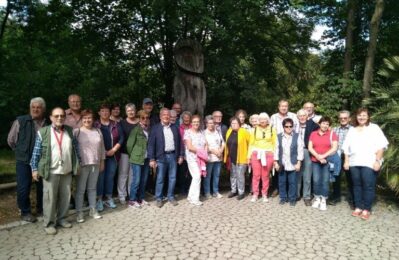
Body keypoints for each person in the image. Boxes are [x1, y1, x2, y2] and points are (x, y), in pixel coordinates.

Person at [30, 107, 79, 235]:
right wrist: (34, 169)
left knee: (65, 198)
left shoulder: (70, 131)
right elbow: (36, 153)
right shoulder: (43, 132)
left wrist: (77, 165)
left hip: (67, 170)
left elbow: (76, 150)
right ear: (51, 117)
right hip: (50, 171)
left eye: (62, 116)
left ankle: (62, 219)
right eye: (56, 116)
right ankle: (49, 223)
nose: (59, 118)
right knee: (49, 199)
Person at [342, 108, 388, 220]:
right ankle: (358, 207)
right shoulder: (352, 129)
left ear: (368, 117)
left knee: (368, 186)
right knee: (356, 185)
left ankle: (366, 209)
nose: (361, 117)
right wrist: (346, 161)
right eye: (359, 115)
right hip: (354, 162)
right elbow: (346, 147)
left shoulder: (374, 128)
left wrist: (377, 161)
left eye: (364, 115)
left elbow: (382, 146)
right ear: (356, 117)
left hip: (369, 162)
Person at [7, 97, 47, 222]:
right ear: (30, 108)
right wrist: (21, 151)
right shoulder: (21, 121)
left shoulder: (47, 123)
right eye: (33, 107)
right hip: (24, 160)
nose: (35, 109)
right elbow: (11, 140)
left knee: (42, 187)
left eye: (38, 107)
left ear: (43, 109)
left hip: (41, 160)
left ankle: (42, 209)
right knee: (24, 187)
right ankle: (25, 212)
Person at [148, 108, 184, 208]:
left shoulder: (175, 128)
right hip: (161, 157)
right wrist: (152, 158)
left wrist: (181, 155)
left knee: (172, 178)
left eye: (168, 115)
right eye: (164, 115)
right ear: (160, 116)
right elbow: (151, 145)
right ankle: (159, 198)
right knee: (160, 178)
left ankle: (171, 196)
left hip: (173, 156)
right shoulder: (155, 128)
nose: (166, 116)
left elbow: (180, 143)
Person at [73, 109, 104, 222]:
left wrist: (102, 162)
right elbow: (73, 150)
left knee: (92, 188)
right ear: (81, 119)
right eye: (85, 118)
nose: (87, 120)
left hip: (95, 163)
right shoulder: (77, 132)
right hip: (82, 165)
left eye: (89, 117)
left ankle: (93, 209)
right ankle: (79, 212)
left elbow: (102, 148)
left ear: (93, 119)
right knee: (80, 190)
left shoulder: (98, 131)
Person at [94, 104, 124, 211]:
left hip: (113, 155)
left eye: (107, 111)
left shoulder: (115, 124)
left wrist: (114, 150)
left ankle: (109, 198)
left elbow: (121, 138)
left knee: (110, 177)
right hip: (100, 156)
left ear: (110, 112)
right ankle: (99, 200)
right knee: (100, 178)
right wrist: (102, 152)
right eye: (102, 111)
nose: (105, 113)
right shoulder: (95, 125)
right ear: (99, 113)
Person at [270, 99, 299, 197]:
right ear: (279, 107)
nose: (284, 108)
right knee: (278, 168)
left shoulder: (293, 116)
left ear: (288, 107)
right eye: (282, 106)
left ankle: (290, 193)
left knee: (290, 169)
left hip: (290, 143)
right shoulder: (273, 117)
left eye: (285, 106)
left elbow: (297, 129)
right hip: (277, 143)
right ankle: (276, 189)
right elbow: (270, 130)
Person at [308, 117, 338, 211]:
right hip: (315, 161)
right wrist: (318, 156)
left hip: (327, 161)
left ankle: (323, 199)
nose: (325, 125)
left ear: (329, 125)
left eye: (327, 124)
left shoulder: (332, 134)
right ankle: (317, 198)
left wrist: (323, 156)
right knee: (316, 180)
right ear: (319, 124)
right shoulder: (313, 134)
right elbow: (310, 147)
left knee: (325, 181)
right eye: (323, 123)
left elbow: (334, 148)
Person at [274, 118, 304, 206]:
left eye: (290, 126)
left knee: (292, 182)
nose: (289, 128)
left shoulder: (297, 136)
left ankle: (292, 198)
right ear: (283, 127)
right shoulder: (279, 136)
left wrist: (299, 162)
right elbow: (276, 149)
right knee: (282, 182)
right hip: (282, 163)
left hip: (293, 163)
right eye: (286, 126)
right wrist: (275, 162)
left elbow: (300, 149)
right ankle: (283, 198)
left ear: (293, 127)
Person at [247, 113, 276, 203]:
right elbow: (251, 144)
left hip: (268, 154)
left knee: (266, 176)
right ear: (259, 120)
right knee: (256, 175)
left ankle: (264, 194)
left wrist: (275, 158)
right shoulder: (254, 130)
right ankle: (255, 194)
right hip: (256, 154)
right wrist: (248, 157)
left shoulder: (272, 129)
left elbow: (275, 144)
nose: (263, 121)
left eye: (265, 119)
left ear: (268, 120)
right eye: (261, 119)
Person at [126, 110, 151, 208]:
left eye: (147, 118)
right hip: (136, 159)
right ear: (139, 119)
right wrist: (133, 155)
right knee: (136, 180)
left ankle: (140, 198)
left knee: (144, 180)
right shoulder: (136, 130)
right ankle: (132, 200)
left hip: (146, 158)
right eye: (142, 118)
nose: (145, 120)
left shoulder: (149, 129)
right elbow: (129, 145)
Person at [330, 110, 353, 206]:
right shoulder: (334, 130)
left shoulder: (353, 130)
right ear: (339, 119)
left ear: (349, 119)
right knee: (336, 177)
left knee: (351, 178)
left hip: (350, 156)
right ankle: (336, 196)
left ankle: (352, 198)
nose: (343, 120)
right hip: (337, 156)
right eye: (341, 118)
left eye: (345, 118)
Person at [297, 109, 319, 206]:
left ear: (307, 116)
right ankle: (296, 194)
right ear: (297, 117)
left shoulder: (313, 125)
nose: (302, 117)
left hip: (307, 151)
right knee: (296, 174)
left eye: (304, 115)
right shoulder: (294, 125)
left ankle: (306, 196)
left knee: (307, 175)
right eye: (300, 116)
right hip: (295, 151)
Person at [117, 103, 139, 204]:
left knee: (132, 175)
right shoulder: (121, 123)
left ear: (135, 111)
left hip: (136, 154)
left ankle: (131, 194)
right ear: (126, 112)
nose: (131, 112)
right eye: (128, 110)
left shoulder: (139, 122)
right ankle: (122, 195)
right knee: (123, 174)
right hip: (125, 153)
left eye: (132, 110)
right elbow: (122, 138)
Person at [224, 117, 250, 200]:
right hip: (232, 158)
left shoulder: (244, 132)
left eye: (235, 123)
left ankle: (241, 192)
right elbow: (226, 144)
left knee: (240, 175)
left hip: (242, 158)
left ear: (239, 124)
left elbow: (250, 144)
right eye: (232, 123)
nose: (233, 125)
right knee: (233, 175)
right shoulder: (229, 131)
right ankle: (233, 190)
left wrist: (249, 157)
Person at [184, 115, 207, 206]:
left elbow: (205, 144)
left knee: (196, 177)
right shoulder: (187, 132)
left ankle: (190, 196)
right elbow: (189, 147)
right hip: (192, 158)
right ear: (191, 123)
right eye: (194, 122)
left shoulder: (201, 132)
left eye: (197, 122)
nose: (196, 123)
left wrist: (204, 153)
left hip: (201, 159)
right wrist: (201, 152)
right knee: (197, 176)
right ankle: (195, 199)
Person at [204, 115, 225, 199]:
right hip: (210, 157)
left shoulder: (218, 132)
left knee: (216, 175)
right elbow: (205, 146)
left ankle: (215, 191)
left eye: (212, 123)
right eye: (209, 123)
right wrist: (215, 152)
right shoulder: (204, 133)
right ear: (206, 124)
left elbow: (223, 142)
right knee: (208, 176)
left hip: (218, 157)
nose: (211, 125)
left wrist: (221, 150)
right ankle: (207, 192)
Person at [176, 111, 192, 195]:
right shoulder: (179, 128)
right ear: (182, 119)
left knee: (190, 172)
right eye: (184, 117)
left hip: (192, 153)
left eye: (188, 117)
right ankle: (182, 189)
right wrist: (182, 154)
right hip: (182, 153)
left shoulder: (193, 127)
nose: (186, 119)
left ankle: (189, 188)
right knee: (182, 172)